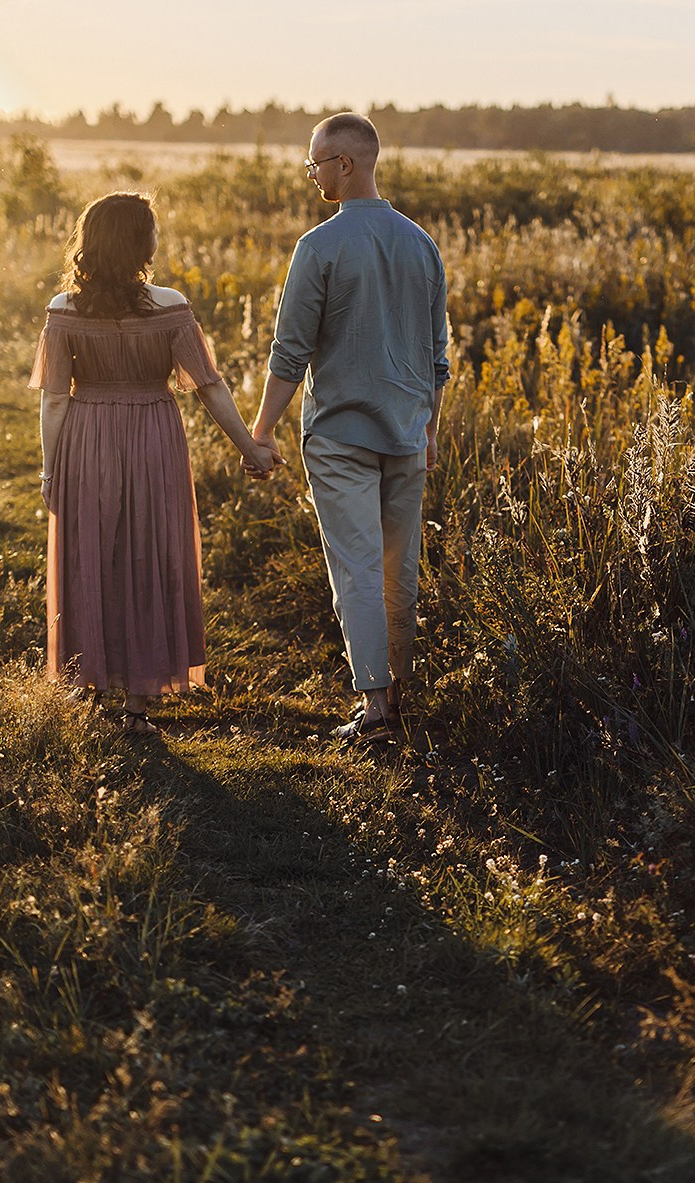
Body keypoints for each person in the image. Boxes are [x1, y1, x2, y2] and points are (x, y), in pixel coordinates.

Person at [32, 191, 279, 736]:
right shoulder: (170, 306)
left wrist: (51, 470)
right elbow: (209, 389)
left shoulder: (63, 310)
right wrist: (251, 448)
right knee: (148, 555)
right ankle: (138, 706)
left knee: (91, 553)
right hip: (152, 437)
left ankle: (85, 683)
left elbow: (53, 399)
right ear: (141, 243)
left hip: (87, 435)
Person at [251, 111, 450, 741]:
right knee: (401, 568)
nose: (311, 175)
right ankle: (403, 696)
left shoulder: (319, 247)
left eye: (316, 162)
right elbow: (436, 356)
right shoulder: (421, 244)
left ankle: (376, 711)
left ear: (346, 162)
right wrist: (430, 428)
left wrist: (260, 432)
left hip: (340, 436)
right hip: (408, 431)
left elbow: (290, 353)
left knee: (359, 568)